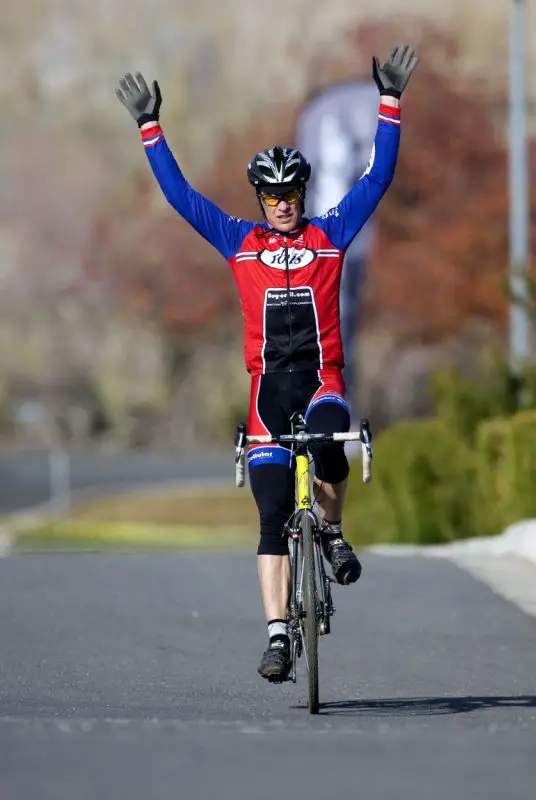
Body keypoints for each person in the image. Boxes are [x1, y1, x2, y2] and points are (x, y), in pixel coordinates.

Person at [116, 45, 418, 682]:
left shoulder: (329, 236)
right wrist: (151, 129)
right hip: (265, 395)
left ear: (304, 193)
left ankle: (333, 533)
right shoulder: (240, 242)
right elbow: (180, 196)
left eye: (291, 193)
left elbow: (377, 180)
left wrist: (389, 103)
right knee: (271, 512)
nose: (283, 203)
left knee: (332, 444)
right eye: (272, 194)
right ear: (259, 197)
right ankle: (279, 637)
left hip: (321, 383)